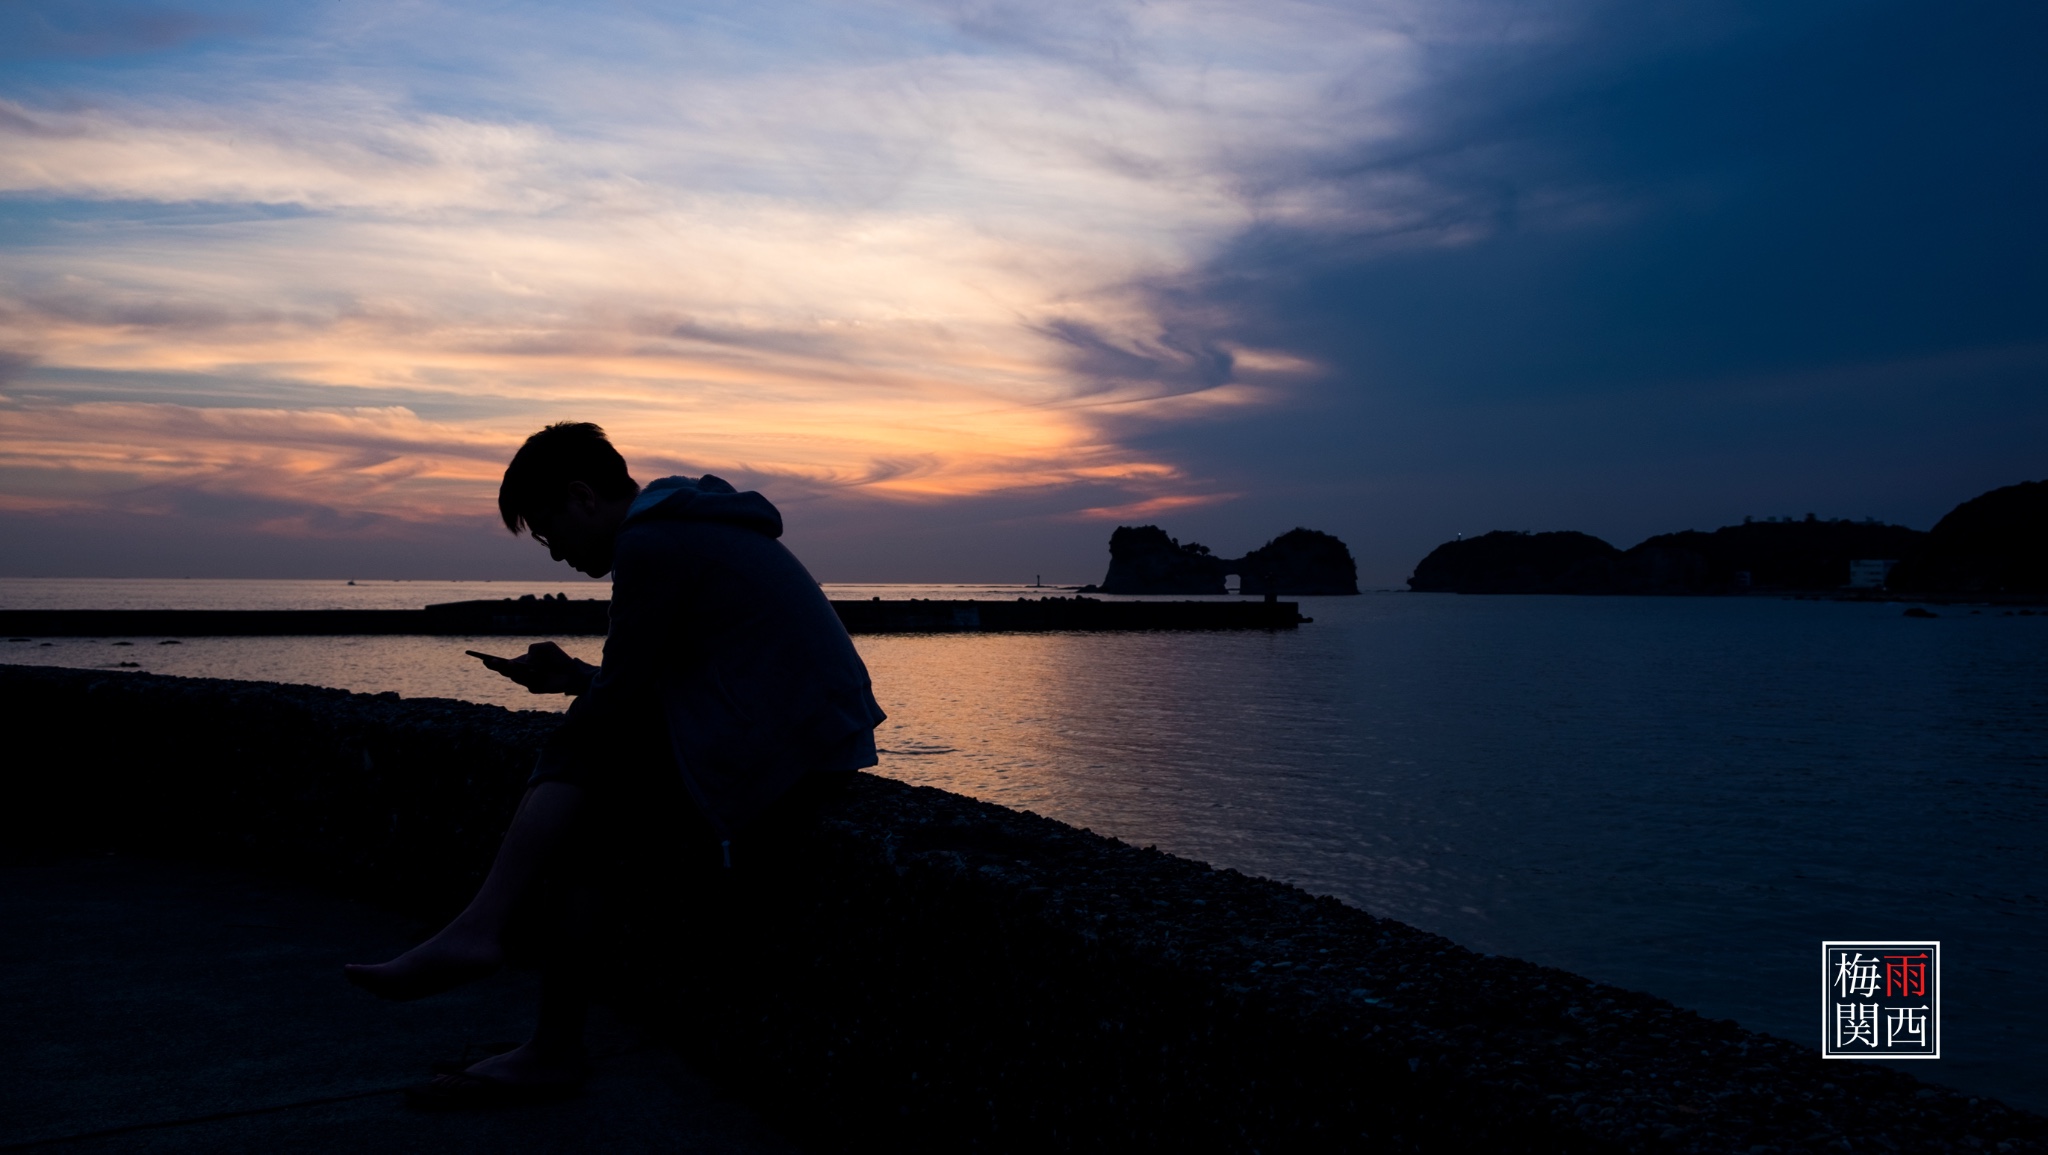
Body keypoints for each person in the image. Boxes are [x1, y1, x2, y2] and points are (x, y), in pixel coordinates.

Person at [344, 421, 886, 1107]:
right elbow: (659, 679)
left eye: (548, 530)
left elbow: (622, 702)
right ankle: (539, 1029)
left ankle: (487, 937)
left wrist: (587, 693)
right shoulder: (680, 525)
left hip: (787, 749)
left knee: (587, 753)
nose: (555, 554)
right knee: (588, 813)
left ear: (582, 496)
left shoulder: (651, 543)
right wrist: (575, 676)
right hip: (802, 735)